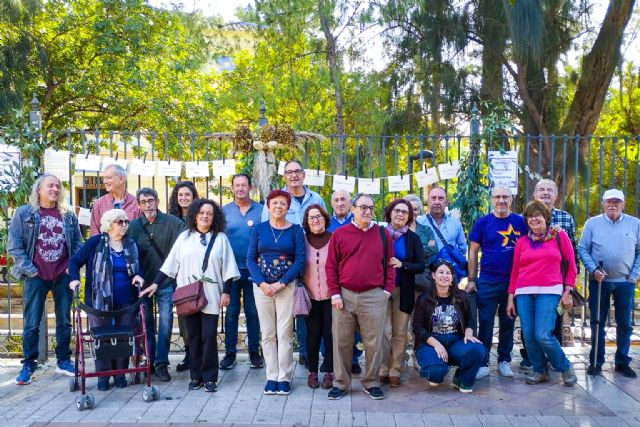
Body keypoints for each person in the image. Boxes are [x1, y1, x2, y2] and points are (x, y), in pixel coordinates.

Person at [144, 199, 240, 392]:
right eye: (202, 213)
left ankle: (210, 377)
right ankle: (196, 376)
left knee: (209, 335)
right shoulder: (184, 237)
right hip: (188, 296)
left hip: (211, 294)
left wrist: (226, 292)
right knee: (194, 336)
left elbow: (228, 267)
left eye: (209, 213)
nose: (205, 216)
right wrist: (155, 283)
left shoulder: (220, 238)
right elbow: (170, 264)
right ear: (195, 215)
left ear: (214, 218)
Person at [8, 174, 83, 384]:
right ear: (38, 189)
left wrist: (71, 266)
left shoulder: (67, 215)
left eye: (58, 186)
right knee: (31, 323)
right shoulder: (24, 213)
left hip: (62, 276)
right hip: (36, 276)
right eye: (50, 185)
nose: (55, 189)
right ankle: (29, 365)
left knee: (64, 321)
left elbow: (78, 242)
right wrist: (30, 270)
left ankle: (63, 360)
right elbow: (14, 245)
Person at [325, 193, 395, 401]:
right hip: (344, 295)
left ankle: (371, 382)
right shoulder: (340, 234)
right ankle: (341, 383)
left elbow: (391, 266)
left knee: (374, 343)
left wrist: (386, 292)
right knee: (341, 342)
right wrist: (335, 293)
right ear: (352, 209)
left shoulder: (383, 234)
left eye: (371, 207)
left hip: (374, 295)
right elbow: (331, 267)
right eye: (363, 207)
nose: (367, 211)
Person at [69, 209, 145, 391]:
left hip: (127, 299)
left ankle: (120, 374)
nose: (125, 225)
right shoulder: (96, 242)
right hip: (99, 301)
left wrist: (139, 276)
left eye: (126, 221)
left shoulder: (132, 244)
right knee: (101, 337)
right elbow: (74, 261)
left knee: (124, 338)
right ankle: (103, 375)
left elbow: (140, 267)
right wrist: (74, 278)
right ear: (110, 224)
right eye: (121, 222)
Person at [260, 160, 325, 368]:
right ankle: (302, 352)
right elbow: (265, 230)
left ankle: (311, 353)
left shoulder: (316, 198)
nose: (294, 175)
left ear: (304, 174)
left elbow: (323, 223)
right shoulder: (277, 200)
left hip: (312, 261)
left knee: (309, 306)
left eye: (297, 171)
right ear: (284, 176)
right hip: (284, 265)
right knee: (290, 313)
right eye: (289, 172)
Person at [506, 200, 577, 387]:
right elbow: (515, 271)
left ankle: (565, 366)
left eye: (537, 214)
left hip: (550, 291)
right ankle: (540, 370)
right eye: (529, 216)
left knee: (543, 334)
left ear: (545, 217)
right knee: (528, 336)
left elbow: (571, 265)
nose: (533, 219)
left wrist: (568, 290)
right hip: (523, 292)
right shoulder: (522, 242)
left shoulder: (559, 236)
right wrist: (510, 297)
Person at [248, 190, 306, 396]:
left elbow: (300, 260)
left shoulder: (296, 231)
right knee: (268, 333)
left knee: (284, 333)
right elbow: (250, 259)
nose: (278, 206)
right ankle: (271, 376)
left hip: (286, 287)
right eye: (275, 203)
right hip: (262, 288)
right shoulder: (260, 229)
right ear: (268, 206)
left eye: (283, 203)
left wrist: (281, 283)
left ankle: (284, 377)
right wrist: (262, 283)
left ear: (288, 207)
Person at [578, 189, 640, 378]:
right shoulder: (592, 223)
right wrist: (593, 269)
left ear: (623, 204)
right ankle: (596, 361)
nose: (612, 205)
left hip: (625, 282)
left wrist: (634, 275)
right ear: (603, 203)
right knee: (597, 322)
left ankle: (622, 362)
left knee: (625, 324)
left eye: (617, 202)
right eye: (609, 201)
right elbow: (583, 248)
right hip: (599, 282)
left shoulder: (635, 223)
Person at [467, 185, 526, 379]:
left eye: (505, 197)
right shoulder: (483, 223)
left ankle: (504, 360)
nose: (501, 200)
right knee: (485, 322)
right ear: (491, 199)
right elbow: (473, 252)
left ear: (511, 199)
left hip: (513, 283)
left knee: (508, 321)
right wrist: (471, 279)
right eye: (497, 197)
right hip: (488, 282)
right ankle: (483, 362)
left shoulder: (521, 222)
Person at [128, 188, 185, 381]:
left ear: (157, 201)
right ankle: (150, 361)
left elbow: (182, 251)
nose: (147, 205)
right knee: (146, 325)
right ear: (138, 204)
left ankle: (162, 363)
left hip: (165, 282)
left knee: (166, 322)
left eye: (150, 201)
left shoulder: (174, 223)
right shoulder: (133, 226)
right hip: (143, 284)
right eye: (143, 202)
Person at [413, 260, 485, 393]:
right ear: (434, 275)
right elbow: (417, 328)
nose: (444, 276)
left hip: (456, 341)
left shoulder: (461, 297)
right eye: (441, 272)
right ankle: (439, 366)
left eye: (448, 273)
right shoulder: (424, 299)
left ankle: (462, 379)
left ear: (452, 277)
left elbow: (470, 320)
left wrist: (469, 335)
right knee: (435, 374)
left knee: (478, 350)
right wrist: (437, 345)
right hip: (431, 342)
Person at [378, 199, 425, 387]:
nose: (400, 214)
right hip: (381, 290)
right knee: (383, 331)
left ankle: (395, 370)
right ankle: (382, 369)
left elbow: (421, 266)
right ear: (390, 213)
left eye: (405, 212)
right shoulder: (379, 234)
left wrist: (402, 265)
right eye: (397, 210)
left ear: (409, 217)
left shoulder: (413, 238)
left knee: (400, 332)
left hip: (403, 290)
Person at [221, 174, 264, 370]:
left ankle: (254, 352)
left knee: (253, 312)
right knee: (231, 313)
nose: (240, 188)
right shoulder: (223, 212)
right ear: (232, 188)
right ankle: (230, 353)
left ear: (250, 187)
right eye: (236, 185)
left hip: (254, 270)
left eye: (243, 185)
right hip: (230, 270)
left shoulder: (261, 211)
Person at [327, 189, 362, 374]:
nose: (340, 203)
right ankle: (330, 358)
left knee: (353, 321)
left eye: (343, 199)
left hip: (353, 279)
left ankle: (354, 357)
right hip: (331, 279)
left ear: (350, 203)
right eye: (336, 200)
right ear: (331, 203)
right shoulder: (326, 224)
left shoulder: (357, 221)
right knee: (332, 321)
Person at [168, 180, 200, 372]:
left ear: (194, 196)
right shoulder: (171, 218)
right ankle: (189, 354)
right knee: (184, 316)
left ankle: (201, 354)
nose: (183, 198)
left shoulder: (201, 216)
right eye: (180, 195)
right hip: (178, 275)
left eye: (187, 194)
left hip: (198, 273)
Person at [302, 204, 334, 389]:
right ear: (307, 221)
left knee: (330, 334)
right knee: (312, 335)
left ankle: (329, 370)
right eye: (311, 217)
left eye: (319, 216)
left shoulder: (334, 238)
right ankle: (312, 371)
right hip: (309, 296)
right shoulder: (303, 239)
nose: (315, 220)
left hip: (332, 296)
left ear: (325, 218)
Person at [90, 164, 141, 236]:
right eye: (103, 178)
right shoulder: (99, 204)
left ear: (121, 179)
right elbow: (95, 234)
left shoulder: (136, 203)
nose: (104, 181)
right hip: (106, 247)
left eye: (108, 178)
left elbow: (141, 233)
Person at [416, 186, 467, 255]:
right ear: (428, 201)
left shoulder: (455, 224)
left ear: (446, 202)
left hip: (450, 264)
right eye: (433, 198)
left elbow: (463, 249)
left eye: (440, 198)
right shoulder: (419, 222)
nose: (437, 202)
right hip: (427, 265)